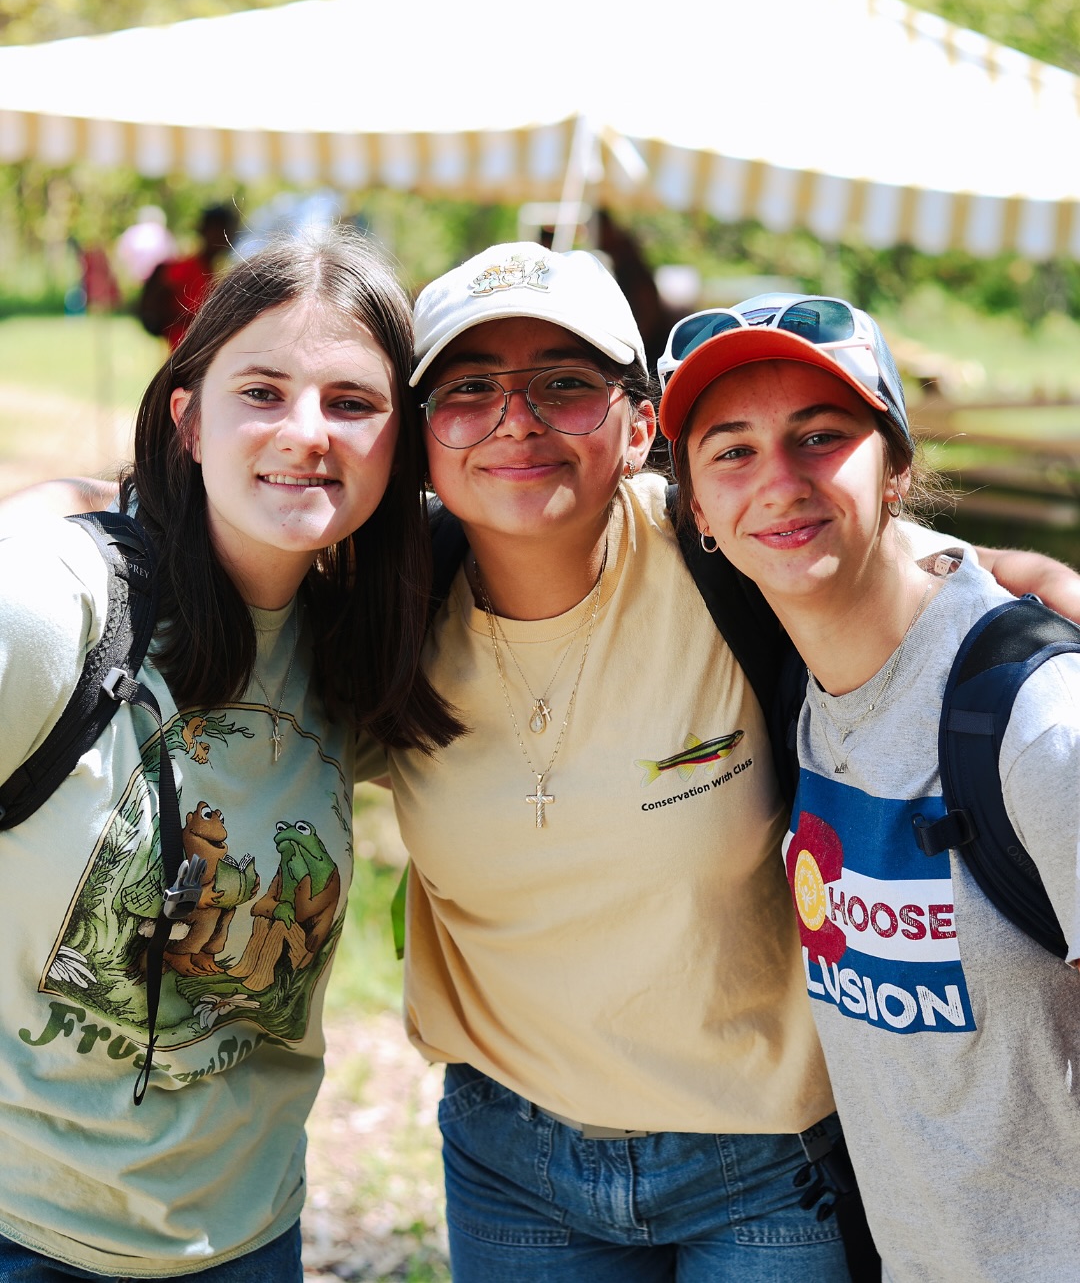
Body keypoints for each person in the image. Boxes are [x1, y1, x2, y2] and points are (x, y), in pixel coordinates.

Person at [358, 242, 1076, 1282]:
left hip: (762, 1162)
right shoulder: (384, 611)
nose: (516, 418)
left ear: (641, 427)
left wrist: (1035, 595)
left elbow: (868, 550)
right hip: (511, 1160)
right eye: (470, 391)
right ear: (420, 437)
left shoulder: (722, 564)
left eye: (565, 383)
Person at [0, 226, 459, 1280]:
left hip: (247, 1238)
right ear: (188, 421)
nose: (307, 432)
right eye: (262, 391)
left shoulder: (370, 640)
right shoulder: (51, 605)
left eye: (353, 403)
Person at [659, 293, 1080, 1282]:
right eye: (732, 450)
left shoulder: (1036, 723)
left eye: (821, 437)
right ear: (696, 510)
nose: (779, 483)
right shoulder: (803, 687)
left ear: (895, 468)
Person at [138, 204, 239, 349]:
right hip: (183, 351)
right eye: (219, 230)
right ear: (204, 230)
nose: (224, 237)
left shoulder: (216, 273)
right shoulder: (183, 269)